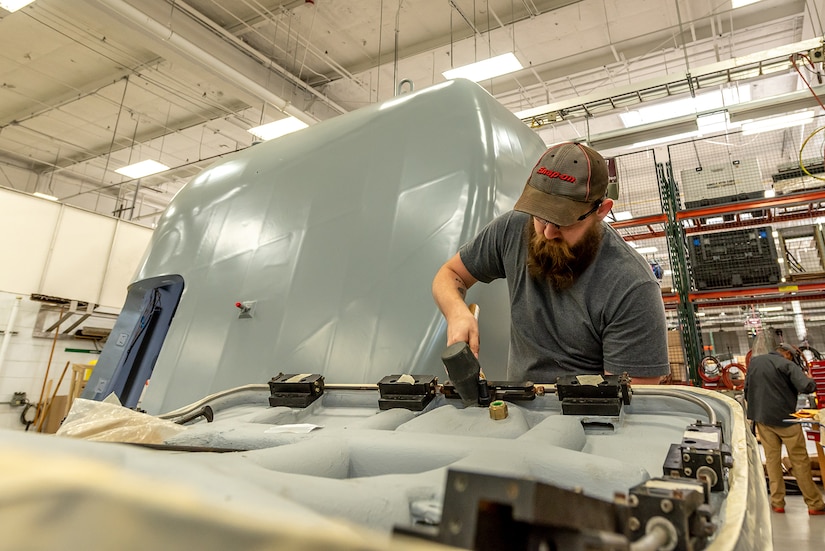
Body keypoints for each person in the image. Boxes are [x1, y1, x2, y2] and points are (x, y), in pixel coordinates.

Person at [432, 142, 669, 385]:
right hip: (521, 408)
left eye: (562, 221)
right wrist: (457, 313)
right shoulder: (512, 229)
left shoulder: (631, 285)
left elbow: (633, 404)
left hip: (590, 417)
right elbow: (450, 274)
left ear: (601, 210)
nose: (546, 232)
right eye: (540, 216)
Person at [744, 343, 825, 515]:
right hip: (786, 420)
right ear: (787, 354)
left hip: (763, 420)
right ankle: (814, 503)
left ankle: (777, 502)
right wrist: (809, 378)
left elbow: (746, 390)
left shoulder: (755, 363)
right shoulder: (786, 364)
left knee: (772, 461)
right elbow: (807, 387)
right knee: (800, 461)